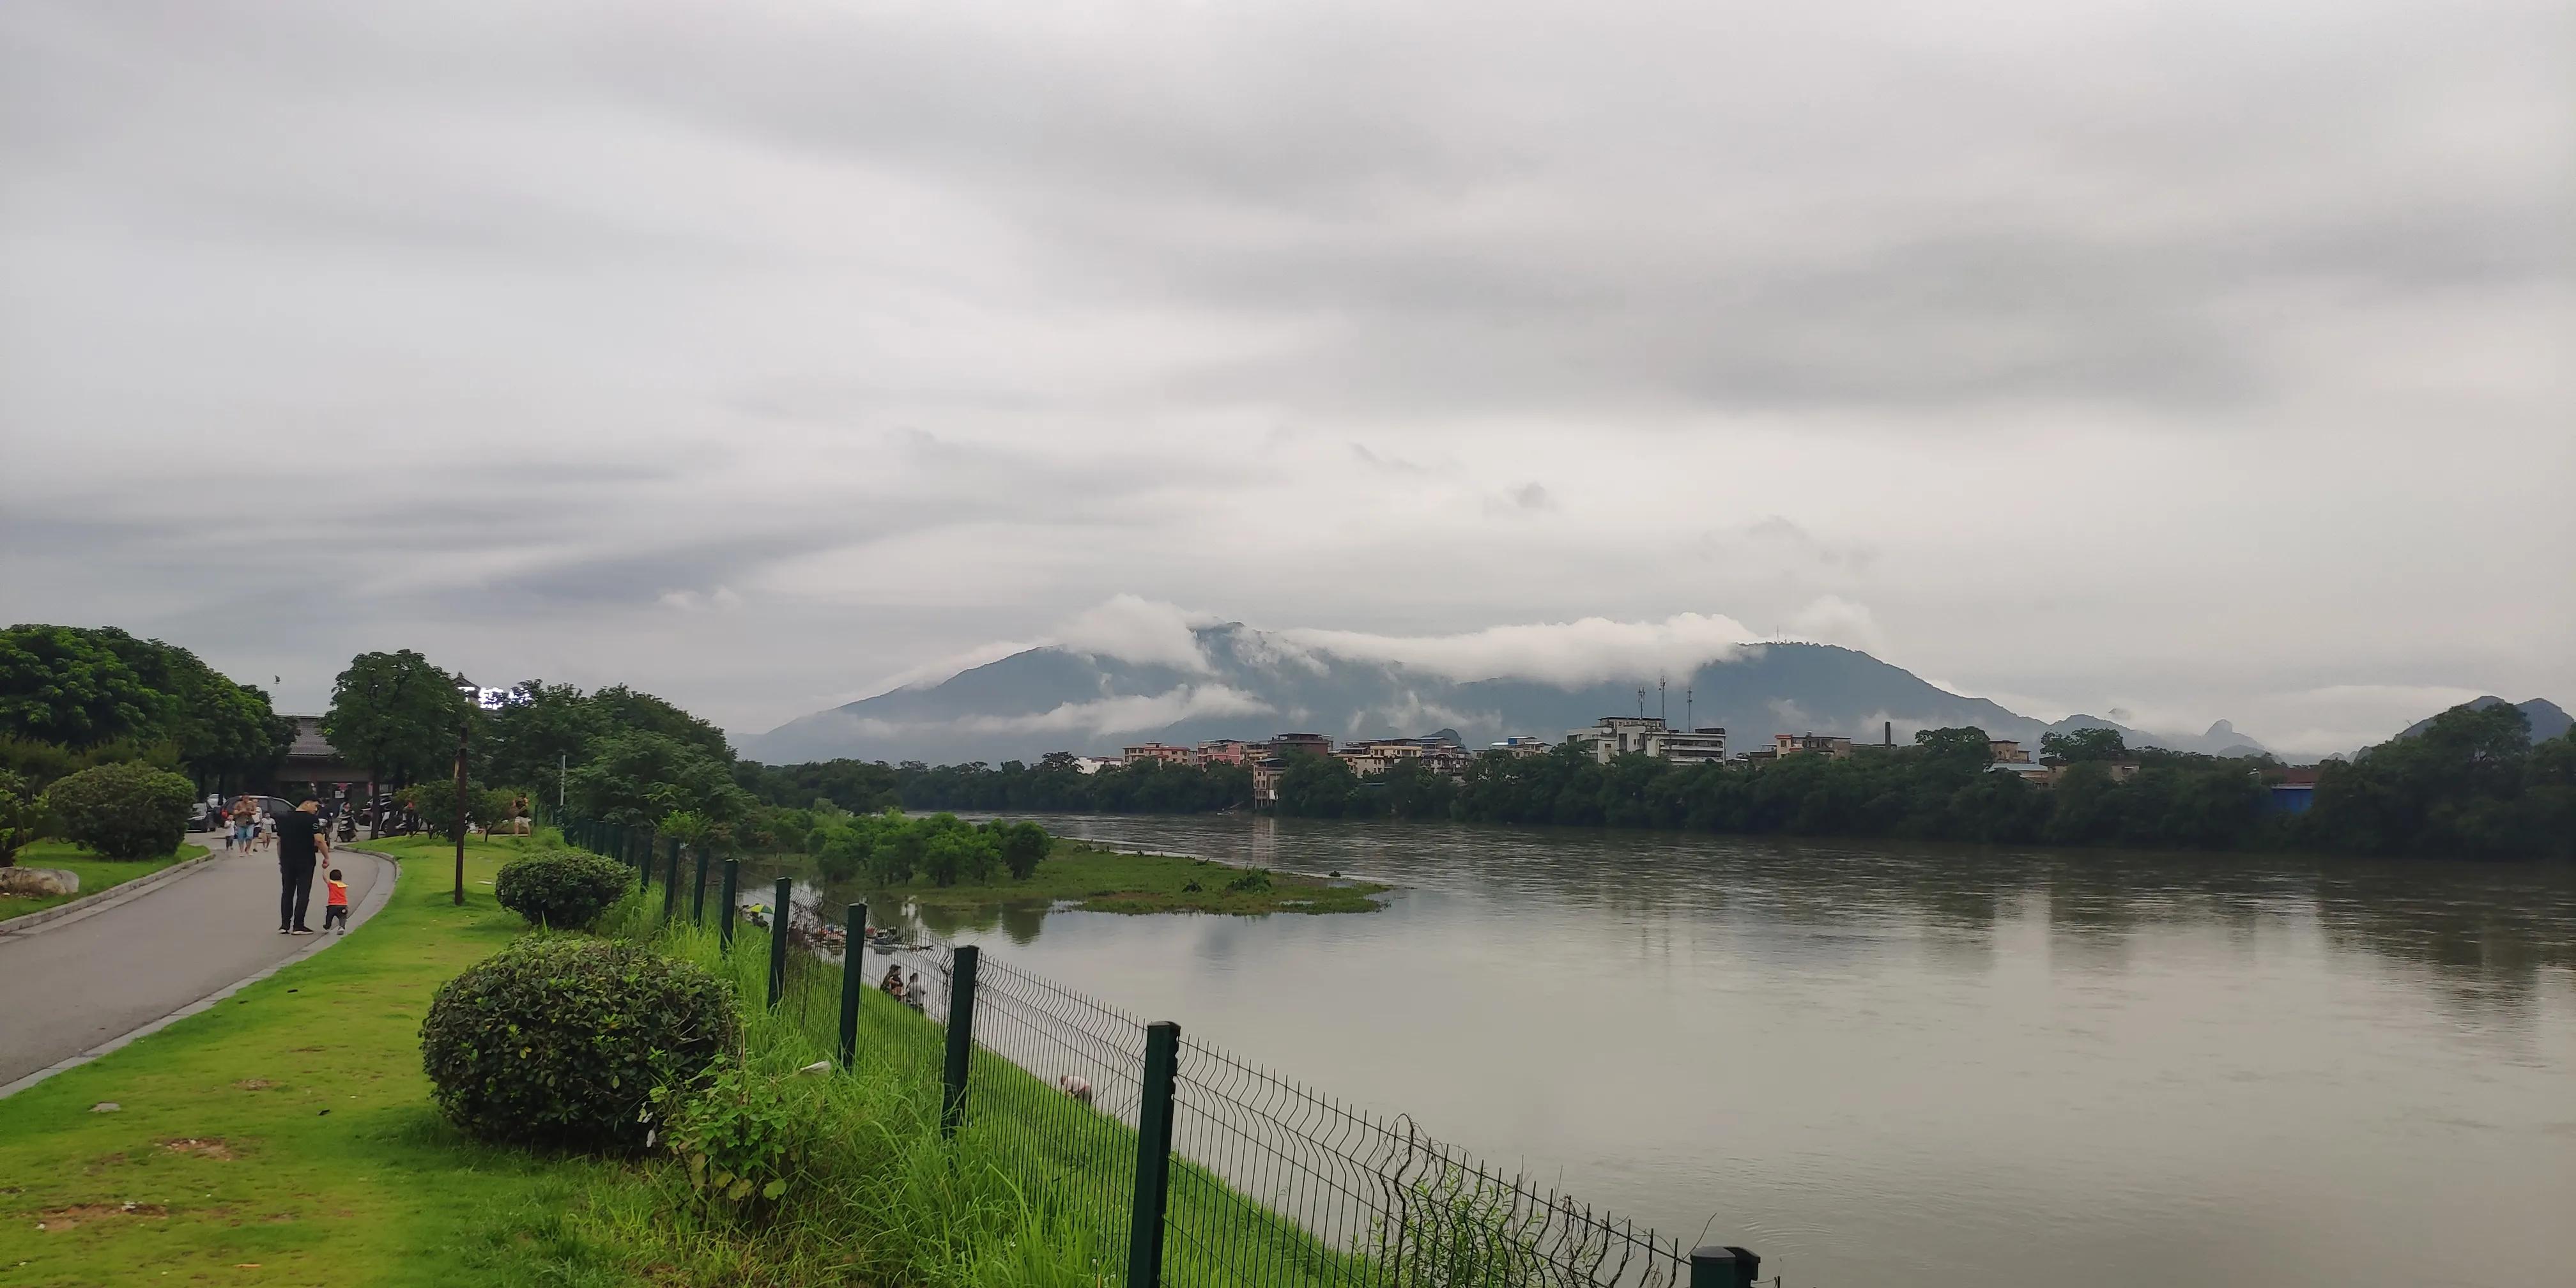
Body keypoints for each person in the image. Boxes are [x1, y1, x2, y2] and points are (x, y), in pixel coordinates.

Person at [274, 798, 329, 935]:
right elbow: (319, 839)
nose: (316, 810)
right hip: (305, 860)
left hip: (287, 860)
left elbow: (279, 842)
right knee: (303, 892)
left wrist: (281, 860)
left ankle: (284, 925)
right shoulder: (312, 820)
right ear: (307, 803)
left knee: (287, 891)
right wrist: (326, 857)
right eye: (316, 806)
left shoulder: (284, 818)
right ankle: (298, 925)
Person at [321, 868, 350, 933]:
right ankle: (342, 927)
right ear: (341, 877)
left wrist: (324, 870)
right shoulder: (343, 886)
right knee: (342, 917)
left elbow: (325, 878)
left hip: (332, 905)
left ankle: (327, 926)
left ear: (331, 878)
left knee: (329, 916)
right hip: (343, 905)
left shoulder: (331, 885)